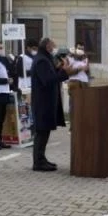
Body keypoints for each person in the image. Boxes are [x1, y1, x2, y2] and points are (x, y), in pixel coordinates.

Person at [31, 38, 74, 171]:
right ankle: (38, 162)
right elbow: (48, 80)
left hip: (46, 101)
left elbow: (51, 74)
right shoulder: (41, 60)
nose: (54, 48)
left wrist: (60, 68)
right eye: (53, 46)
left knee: (45, 131)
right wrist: (64, 72)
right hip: (42, 102)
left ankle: (42, 158)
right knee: (41, 132)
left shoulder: (45, 58)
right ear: (47, 46)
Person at [67, 43, 90, 127]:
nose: (81, 50)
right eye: (79, 48)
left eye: (82, 49)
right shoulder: (70, 58)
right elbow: (68, 72)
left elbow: (87, 72)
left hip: (84, 83)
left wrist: (87, 69)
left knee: (83, 105)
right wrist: (79, 69)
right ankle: (72, 126)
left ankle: (82, 124)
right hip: (74, 83)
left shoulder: (85, 59)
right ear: (75, 49)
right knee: (73, 106)